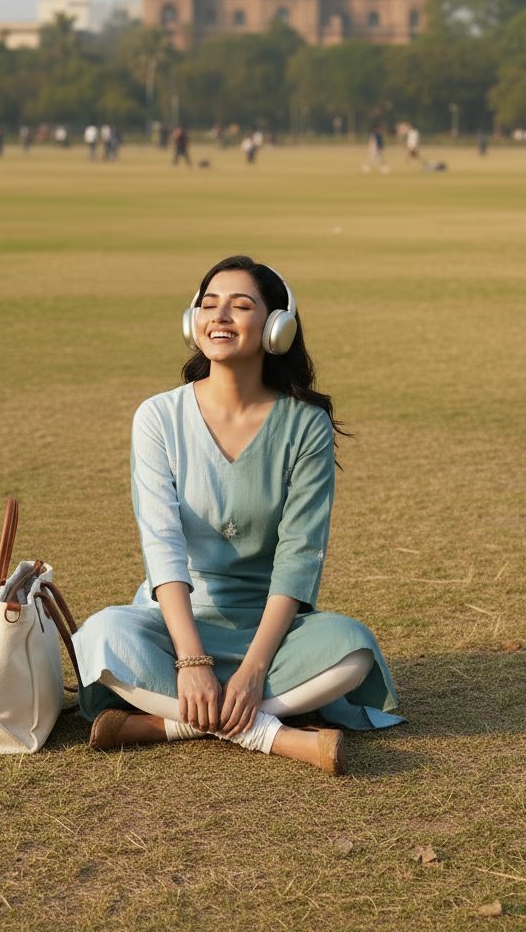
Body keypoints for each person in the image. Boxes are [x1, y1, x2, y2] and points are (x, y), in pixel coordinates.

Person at [73, 256, 402, 775]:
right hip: (175, 623)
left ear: (278, 327)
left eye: (240, 305)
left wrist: (252, 671)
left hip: (270, 627)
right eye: (208, 304)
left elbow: (300, 556)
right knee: (102, 636)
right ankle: (272, 734)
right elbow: (162, 544)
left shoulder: (306, 425)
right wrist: (191, 661)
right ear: (192, 322)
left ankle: (165, 724)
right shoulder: (157, 416)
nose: (219, 316)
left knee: (353, 648)